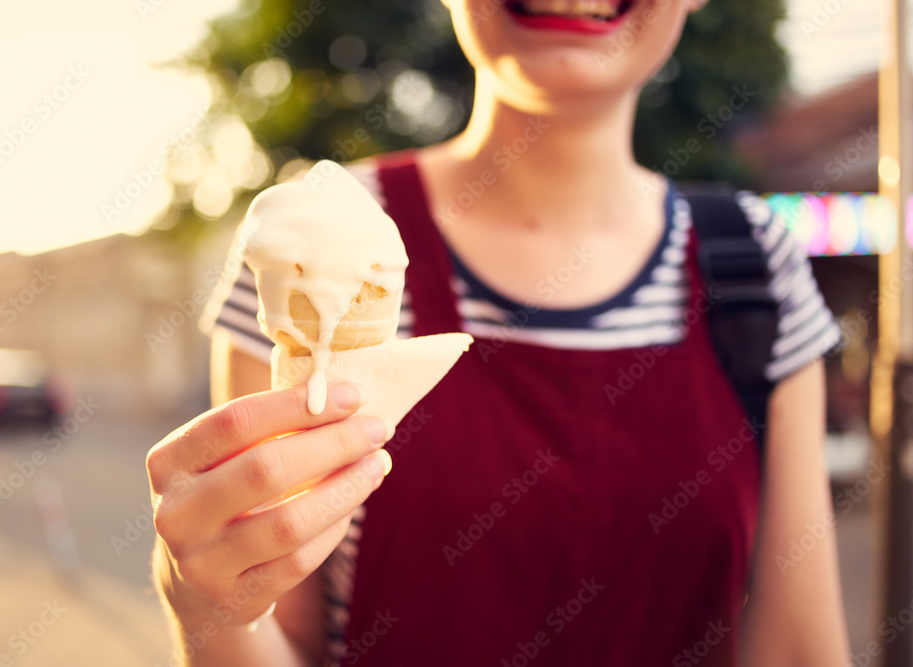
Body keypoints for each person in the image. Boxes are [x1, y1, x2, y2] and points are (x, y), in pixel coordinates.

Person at [146, 0, 851, 664]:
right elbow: (285, 636)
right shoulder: (310, 241)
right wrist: (205, 602)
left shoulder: (757, 263)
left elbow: (799, 652)